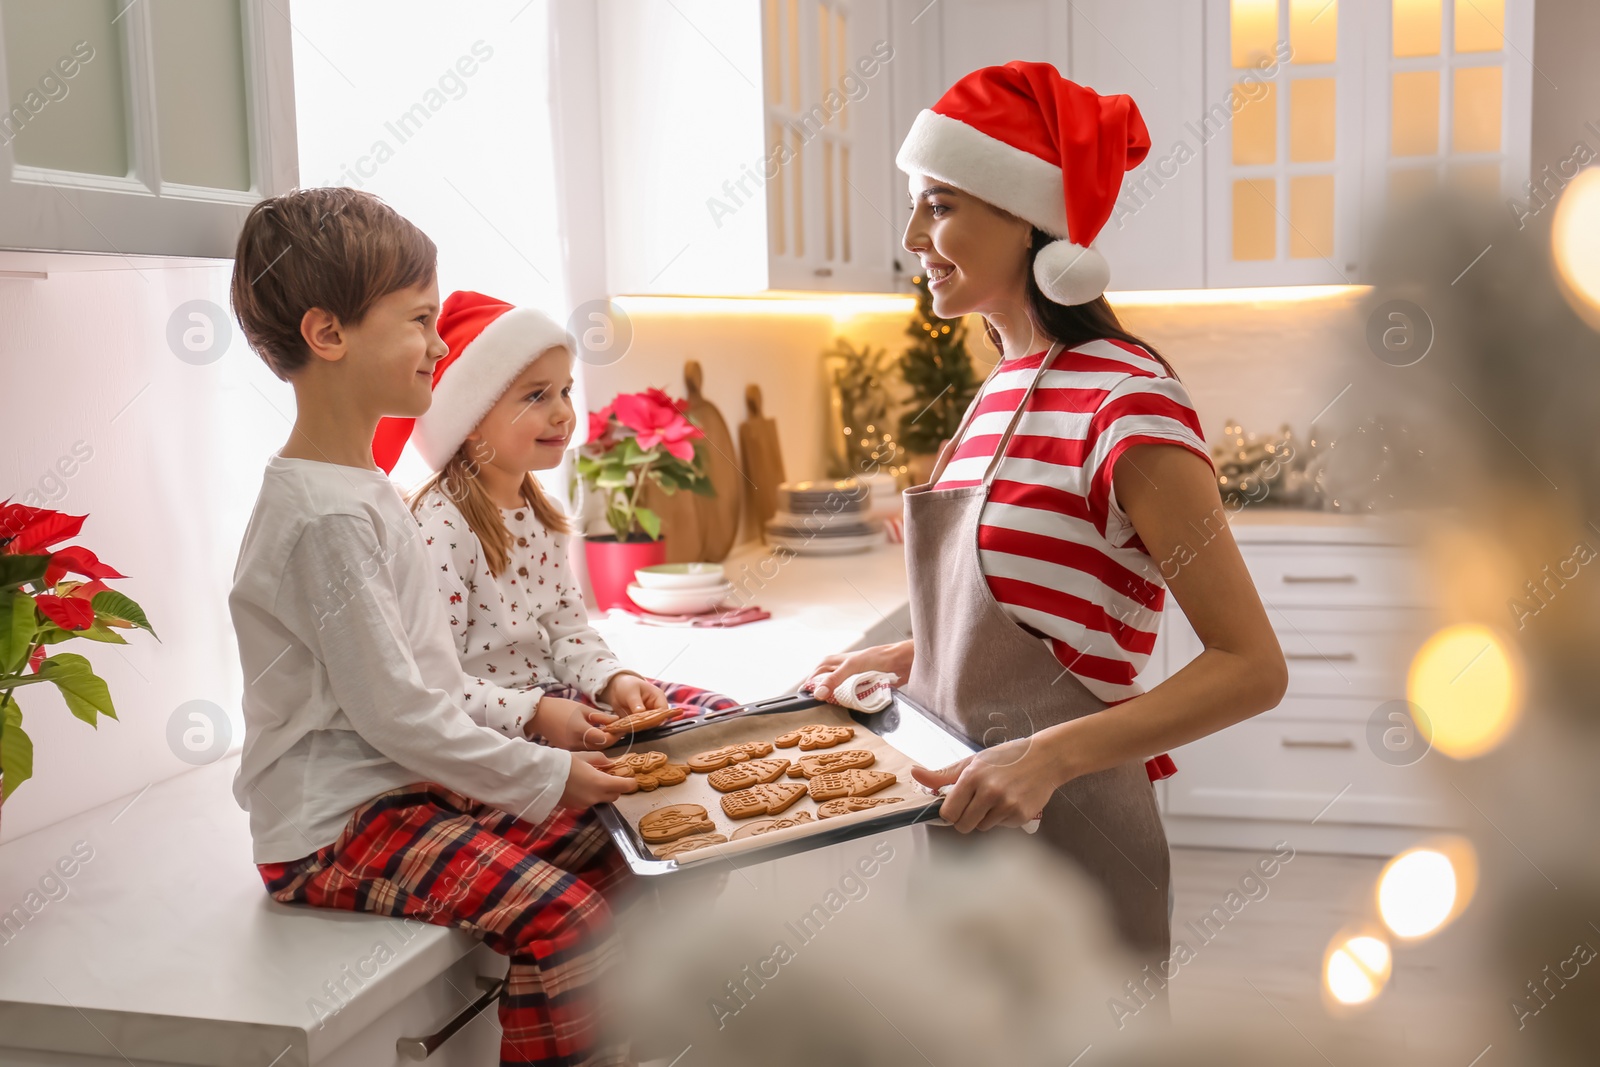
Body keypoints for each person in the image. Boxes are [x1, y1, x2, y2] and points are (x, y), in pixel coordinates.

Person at [807, 62, 1288, 971]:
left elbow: (1252, 668)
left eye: (940, 204)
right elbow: (1044, 620)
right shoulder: (998, 389)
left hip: (1069, 831)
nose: (912, 234)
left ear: (1029, 218)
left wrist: (1048, 759)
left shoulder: (1126, 400)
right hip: (962, 822)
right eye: (916, 205)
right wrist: (913, 655)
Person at [227, 188, 632, 1067]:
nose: (441, 342)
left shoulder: (361, 492)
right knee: (564, 915)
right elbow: (402, 715)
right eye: (418, 319)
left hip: (400, 791)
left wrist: (536, 735)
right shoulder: (323, 517)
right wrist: (548, 771)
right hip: (334, 826)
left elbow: (433, 687)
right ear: (330, 334)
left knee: (618, 842)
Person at [369, 289, 739, 739]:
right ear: (471, 420)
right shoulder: (442, 527)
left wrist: (613, 680)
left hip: (556, 696)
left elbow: (568, 633)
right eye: (536, 397)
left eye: (564, 391)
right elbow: (435, 683)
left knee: (722, 713)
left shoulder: (544, 514)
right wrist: (536, 712)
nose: (563, 412)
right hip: (497, 726)